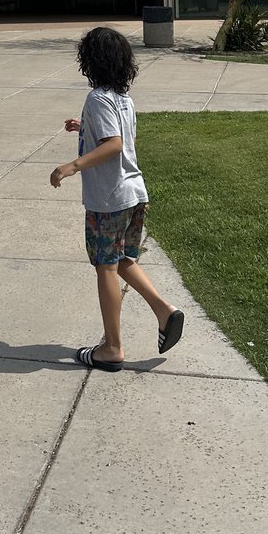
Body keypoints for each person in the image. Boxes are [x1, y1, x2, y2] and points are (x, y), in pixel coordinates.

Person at [50, 26, 184, 371]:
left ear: (90, 61)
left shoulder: (98, 98)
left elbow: (114, 145)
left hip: (109, 199)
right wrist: (84, 126)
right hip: (134, 193)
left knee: (105, 266)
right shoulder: (123, 100)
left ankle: (111, 347)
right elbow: (114, 135)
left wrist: (72, 166)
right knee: (123, 259)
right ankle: (164, 311)